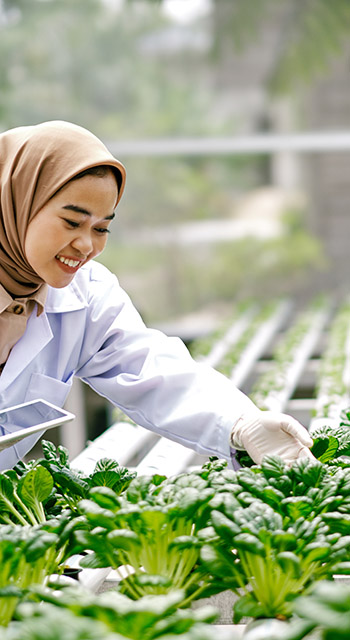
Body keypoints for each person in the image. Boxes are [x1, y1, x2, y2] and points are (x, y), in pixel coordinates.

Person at [0, 120, 315, 471]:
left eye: (102, 228)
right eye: (72, 223)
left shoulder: (85, 294)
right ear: (16, 202)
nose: (87, 245)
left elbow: (148, 366)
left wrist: (241, 423)